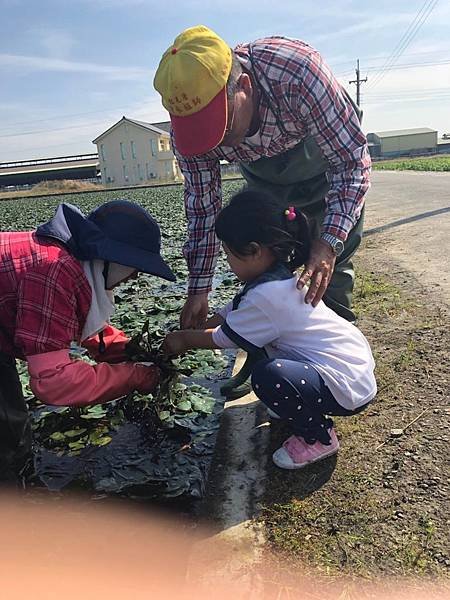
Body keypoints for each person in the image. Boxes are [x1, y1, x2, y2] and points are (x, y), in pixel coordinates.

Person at [153, 25, 371, 332]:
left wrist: (327, 244)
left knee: (327, 271)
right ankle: (275, 339)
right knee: (271, 261)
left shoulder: (297, 73)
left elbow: (350, 163)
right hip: (265, 182)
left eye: (221, 130)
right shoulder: (187, 133)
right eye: (202, 134)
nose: (218, 146)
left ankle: (336, 349)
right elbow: (204, 209)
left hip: (322, 166)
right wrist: (199, 288)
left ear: (244, 86)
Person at [162, 189, 376, 469]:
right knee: (268, 360)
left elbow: (224, 337)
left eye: (228, 254)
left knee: (268, 376)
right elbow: (231, 313)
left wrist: (183, 340)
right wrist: (202, 322)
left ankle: (319, 438)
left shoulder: (267, 297)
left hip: (345, 385)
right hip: (349, 367)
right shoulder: (275, 278)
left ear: (253, 250)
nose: (228, 262)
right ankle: (299, 401)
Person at [0, 199, 175, 481]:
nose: (135, 276)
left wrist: (126, 349)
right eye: (135, 266)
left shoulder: (68, 256)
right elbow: (54, 382)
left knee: (11, 422)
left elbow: (69, 319)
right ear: (111, 259)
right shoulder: (53, 268)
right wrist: (133, 377)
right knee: (8, 437)